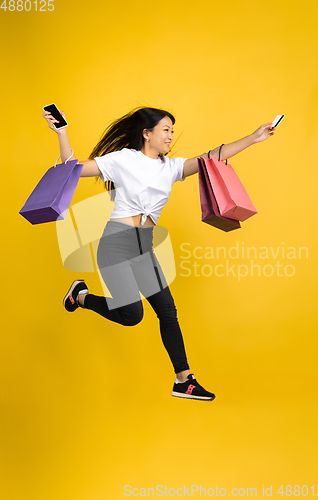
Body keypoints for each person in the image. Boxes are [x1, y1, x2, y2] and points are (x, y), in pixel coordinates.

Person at [42, 105, 275, 401]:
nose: (170, 136)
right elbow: (71, 169)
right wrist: (61, 133)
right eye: (165, 130)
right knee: (132, 315)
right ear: (146, 133)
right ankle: (80, 297)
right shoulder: (123, 160)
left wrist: (253, 138)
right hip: (116, 243)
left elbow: (212, 157)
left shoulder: (171, 167)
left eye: (172, 131)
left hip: (144, 245)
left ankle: (184, 381)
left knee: (167, 310)